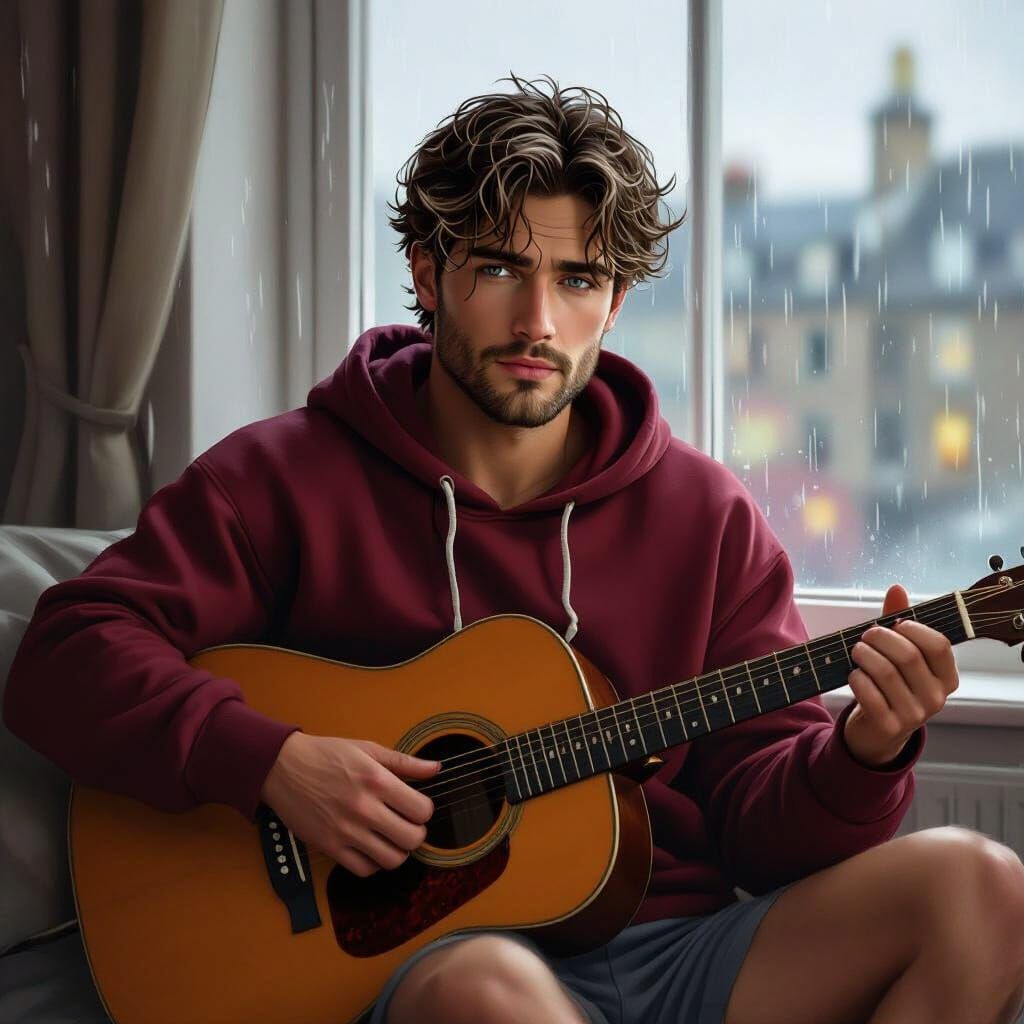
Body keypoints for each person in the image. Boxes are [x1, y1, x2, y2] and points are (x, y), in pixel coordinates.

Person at [5, 73, 1024, 1024]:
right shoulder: (284, 477)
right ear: (428, 270)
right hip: (435, 965)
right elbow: (67, 653)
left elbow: (765, 834)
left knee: (983, 887)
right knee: (491, 988)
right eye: (500, 267)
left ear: (613, 302)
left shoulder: (707, 517)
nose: (538, 321)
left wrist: (864, 752)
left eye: (578, 279)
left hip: (673, 946)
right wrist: (274, 763)